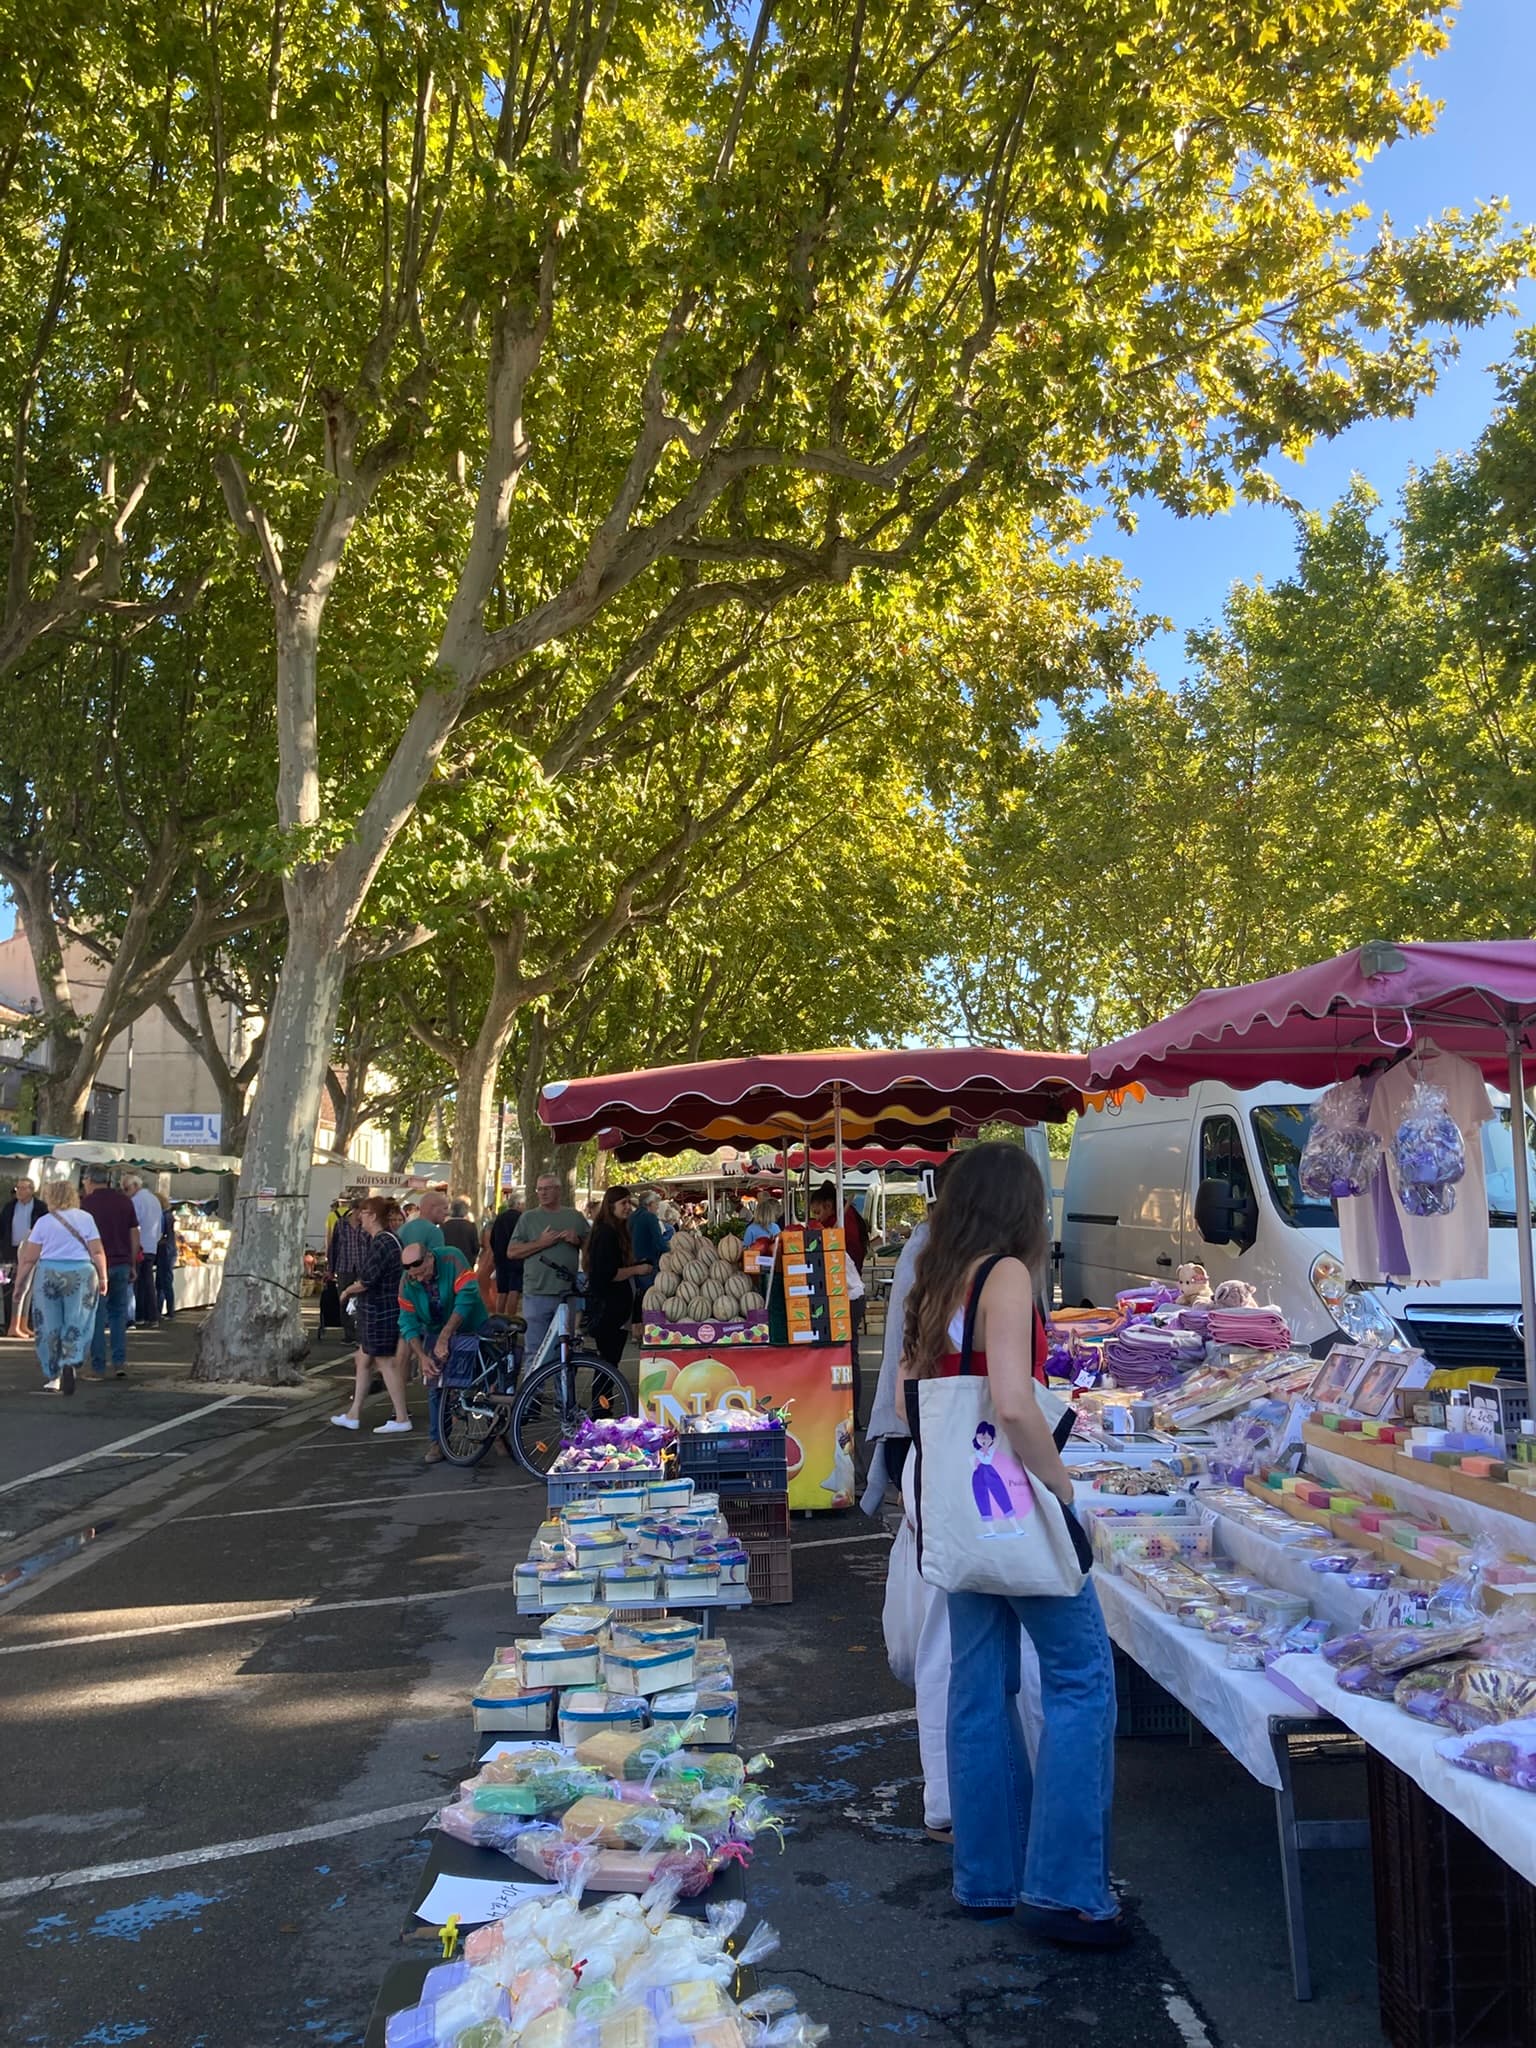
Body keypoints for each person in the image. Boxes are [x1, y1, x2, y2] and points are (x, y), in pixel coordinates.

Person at [900, 1141, 1124, 1946]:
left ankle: (986, 1879)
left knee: (977, 1682)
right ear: (1022, 1208)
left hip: (954, 1509)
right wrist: (1062, 1487)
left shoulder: (935, 1279)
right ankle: (1066, 1891)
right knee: (1080, 1677)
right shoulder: (1006, 1276)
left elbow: (911, 1395)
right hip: (1011, 1503)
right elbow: (1012, 1402)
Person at [397, 1236, 491, 1464]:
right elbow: (407, 1322)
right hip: (434, 1329)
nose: (419, 1279)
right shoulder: (408, 1282)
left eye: (422, 1272)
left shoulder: (452, 1258)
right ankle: (438, 1441)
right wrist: (421, 1356)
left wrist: (446, 1335)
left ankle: (494, 1430)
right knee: (435, 1385)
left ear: (430, 1257)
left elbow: (468, 1295)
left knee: (487, 1378)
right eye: (414, 1276)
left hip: (471, 1325)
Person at [16, 1177, 108, 1395]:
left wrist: (19, 1285)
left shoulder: (43, 1222)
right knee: (78, 1320)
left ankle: (53, 1375)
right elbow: (97, 1251)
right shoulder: (86, 1219)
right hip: (82, 1274)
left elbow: (29, 1258)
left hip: (49, 1274)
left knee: (48, 1324)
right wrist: (103, 1277)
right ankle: (72, 1359)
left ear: (50, 1197)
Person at [332, 1197, 411, 1434]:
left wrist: (347, 1290)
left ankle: (401, 1417)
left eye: (364, 1213)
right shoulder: (391, 1240)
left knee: (384, 1361)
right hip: (383, 1308)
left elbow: (367, 1280)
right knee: (363, 1359)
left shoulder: (381, 1242)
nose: (360, 1216)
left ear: (373, 1216)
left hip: (380, 1310)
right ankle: (353, 1413)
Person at [506, 1175, 590, 1365]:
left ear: (559, 1190)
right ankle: (534, 1393)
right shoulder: (528, 1218)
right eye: (539, 1189)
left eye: (547, 1188)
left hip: (567, 1294)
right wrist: (541, 1243)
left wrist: (577, 1240)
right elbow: (511, 1252)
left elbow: (592, 1247)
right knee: (534, 1350)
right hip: (536, 1294)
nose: (542, 1193)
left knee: (565, 1349)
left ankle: (564, 1394)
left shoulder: (575, 1217)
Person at [81, 1167, 141, 1381]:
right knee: (118, 1314)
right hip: (122, 1262)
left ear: (89, 1180)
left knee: (97, 1314)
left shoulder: (86, 1204)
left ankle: (97, 1366)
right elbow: (134, 1232)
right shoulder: (125, 1201)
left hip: (96, 1265)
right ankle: (119, 1362)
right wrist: (132, 1262)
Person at [583, 1187, 650, 1367]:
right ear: (611, 1205)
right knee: (608, 1362)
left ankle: (604, 1396)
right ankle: (601, 1396)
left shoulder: (615, 1230)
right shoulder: (606, 1233)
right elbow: (608, 1273)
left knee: (610, 1362)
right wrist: (637, 1269)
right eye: (623, 1203)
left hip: (615, 1309)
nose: (628, 1207)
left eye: (629, 1202)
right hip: (608, 1310)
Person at [323, 1195, 368, 1340]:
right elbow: (334, 1246)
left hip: (363, 1266)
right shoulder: (341, 1224)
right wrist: (330, 1269)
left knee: (363, 1299)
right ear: (354, 1210)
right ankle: (349, 1333)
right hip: (344, 1266)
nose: (364, 1215)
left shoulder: (367, 1226)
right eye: (363, 1211)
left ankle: (361, 1333)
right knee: (344, 1298)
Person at [1, 1177, 41, 1334]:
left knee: (28, 1287)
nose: (19, 1191)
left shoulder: (39, 1207)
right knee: (9, 1285)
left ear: (31, 1190)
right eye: (18, 1188)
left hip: (31, 1250)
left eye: (23, 1188)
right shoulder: (9, 1207)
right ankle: (10, 1324)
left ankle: (24, 1323)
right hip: (9, 1251)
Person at [124, 1174, 163, 1326]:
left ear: (135, 1186)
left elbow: (133, 1224)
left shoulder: (135, 1201)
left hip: (139, 1245)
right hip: (151, 1245)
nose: (126, 1193)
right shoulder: (154, 1200)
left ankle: (139, 1315)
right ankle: (152, 1316)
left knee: (137, 1283)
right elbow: (159, 1225)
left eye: (126, 1189)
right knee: (148, 1282)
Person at [484, 1194, 523, 1314]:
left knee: (502, 1291)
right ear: (518, 1204)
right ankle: (511, 1319)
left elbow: (492, 1238)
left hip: (500, 1259)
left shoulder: (499, 1218)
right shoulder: (521, 1218)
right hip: (517, 1259)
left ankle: (499, 1317)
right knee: (514, 1290)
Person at [630, 1191, 669, 1294]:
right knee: (652, 1297)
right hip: (649, 1265)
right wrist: (673, 1252)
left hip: (633, 1265)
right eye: (656, 1204)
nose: (657, 1208)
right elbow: (659, 1243)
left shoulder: (631, 1217)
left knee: (639, 1297)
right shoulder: (650, 1217)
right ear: (650, 1203)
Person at [156, 1194, 178, 1318]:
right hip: (169, 1250)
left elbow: (163, 1234)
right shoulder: (169, 1216)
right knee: (165, 1281)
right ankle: (167, 1310)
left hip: (165, 1250)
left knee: (163, 1282)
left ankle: (166, 1310)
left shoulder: (164, 1216)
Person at [441, 1197, 480, 1265]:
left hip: (447, 1263)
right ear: (465, 1211)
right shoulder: (471, 1226)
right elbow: (476, 1248)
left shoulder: (443, 1226)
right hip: (466, 1263)